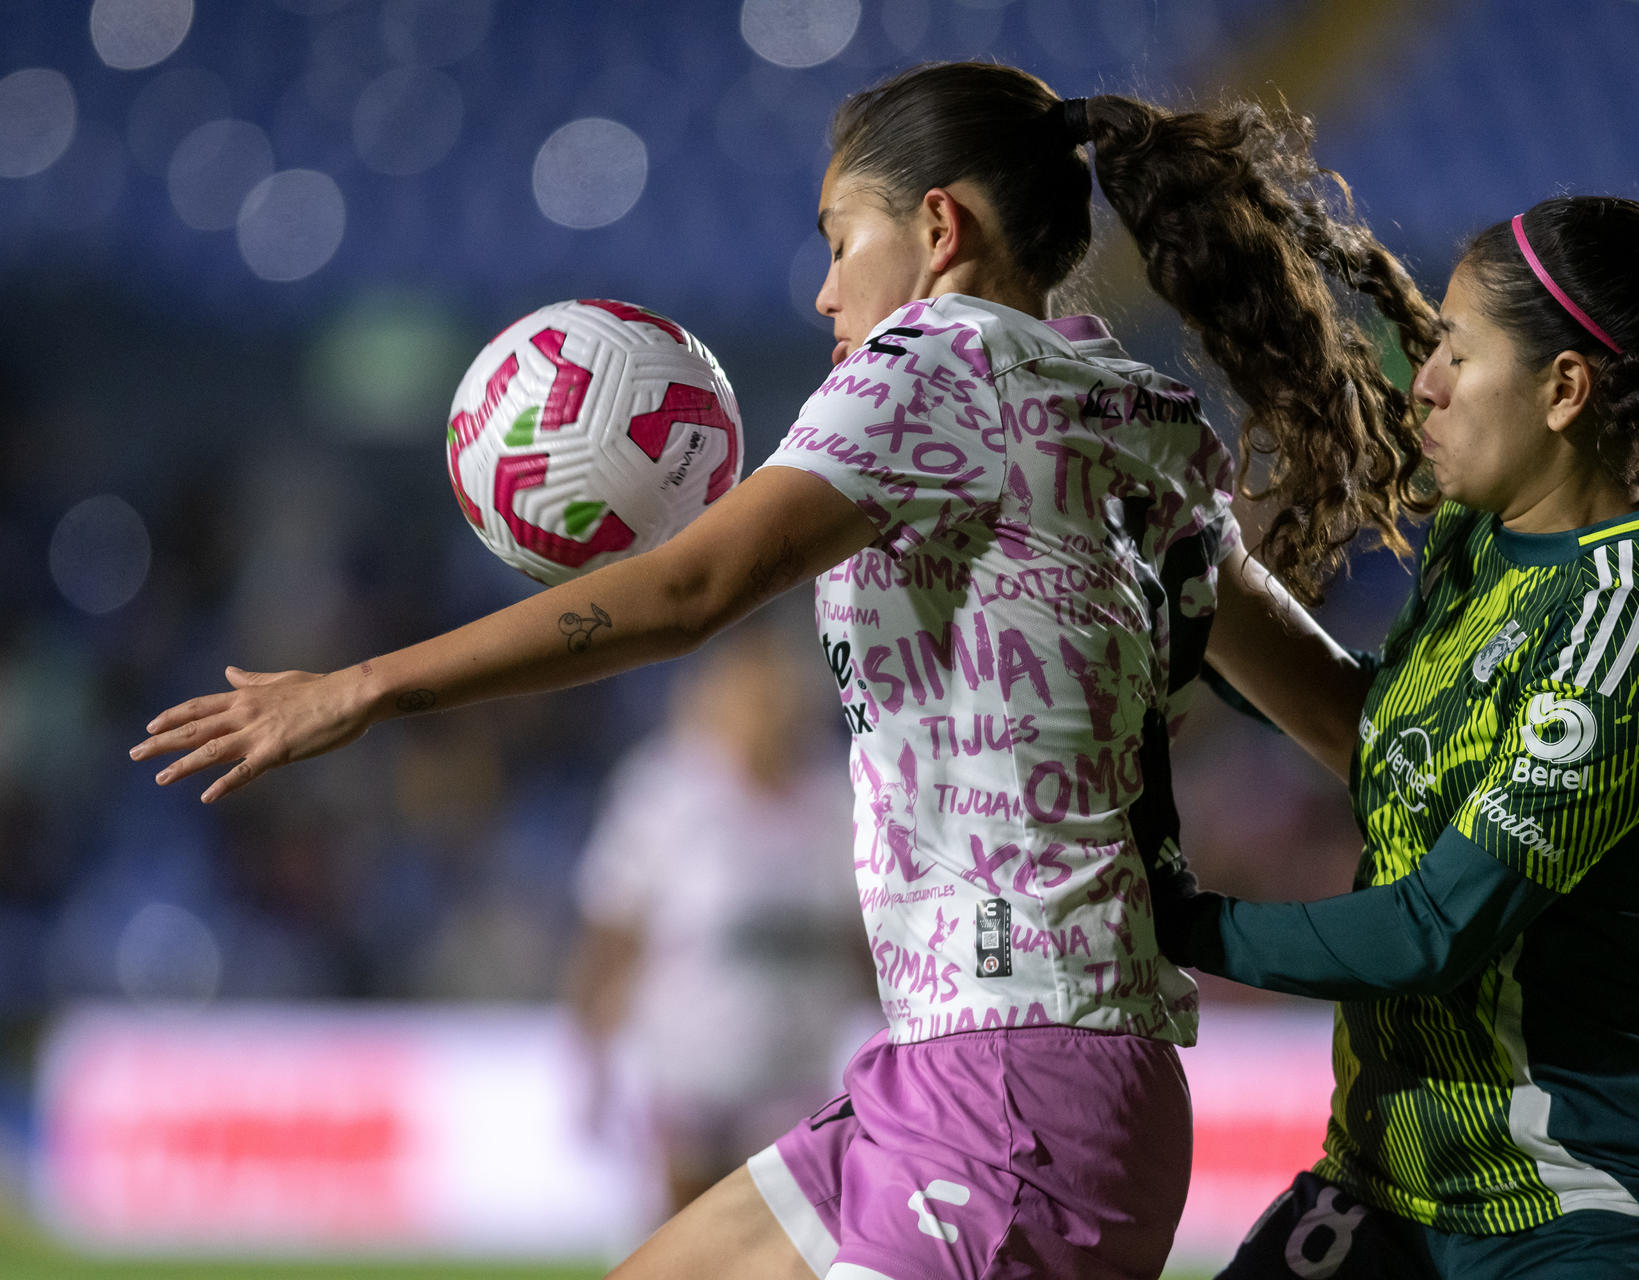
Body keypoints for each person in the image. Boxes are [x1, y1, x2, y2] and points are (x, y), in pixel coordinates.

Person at [131, 61, 1439, 1280]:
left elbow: (696, 586)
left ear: (938, 230)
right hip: (998, 1077)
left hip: (1010, 1105)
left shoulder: (933, 363)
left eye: (836, 239)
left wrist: (363, 686)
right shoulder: (1134, 420)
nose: (823, 292)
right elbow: (1346, 719)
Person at [1156, 195, 1639, 1280]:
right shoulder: (1478, 540)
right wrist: (1194, 574)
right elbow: (1382, 738)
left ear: (1565, 388)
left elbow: (1433, 932)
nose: (1424, 379)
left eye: (1457, 352)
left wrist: (1165, 920)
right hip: (1391, 1181)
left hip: (1578, 1211)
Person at [562, 621, 870, 1222]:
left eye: (782, 696)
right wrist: (589, 1059)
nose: (772, 711)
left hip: (795, 1068)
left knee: (779, 1239)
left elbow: (863, 939)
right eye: (756, 696)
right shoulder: (666, 795)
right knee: (682, 1236)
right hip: (687, 1069)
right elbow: (610, 937)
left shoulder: (838, 797)